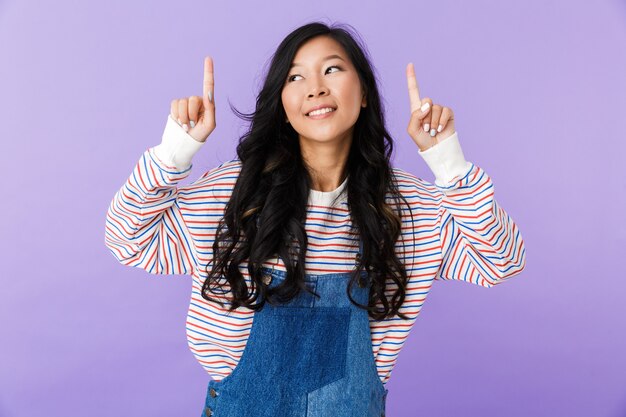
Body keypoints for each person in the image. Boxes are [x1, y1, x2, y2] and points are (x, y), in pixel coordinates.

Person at [104, 21, 526, 417]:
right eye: (295, 77)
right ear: (282, 104)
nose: (315, 88)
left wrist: (449, 166)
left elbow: (501, 263)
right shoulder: (233, 193)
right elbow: (128, 241)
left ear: (363, 93)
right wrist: (173, 153)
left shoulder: (409, 206)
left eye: (333, 69)